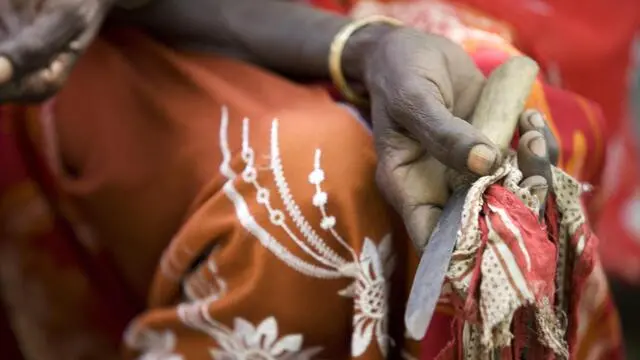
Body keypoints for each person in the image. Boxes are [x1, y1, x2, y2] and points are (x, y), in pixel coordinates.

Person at [0, 0, 621, 359]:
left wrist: (366, 46)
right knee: (307, 199)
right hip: (132, 29)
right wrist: (355, 48)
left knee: (502, 123)